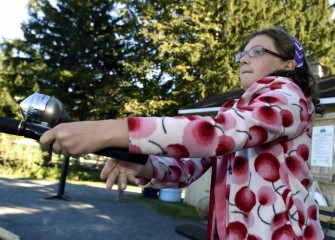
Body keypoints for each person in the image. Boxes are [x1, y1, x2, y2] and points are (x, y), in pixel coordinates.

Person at [40, 27, 324, 239]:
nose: (243, 60)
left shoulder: (289, 97)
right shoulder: (236, 110)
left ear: (288, 64)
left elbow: (217, 134)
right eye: (242, 53)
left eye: (258, 51)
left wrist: (108, 130)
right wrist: (142, 163)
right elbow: (188, 167)